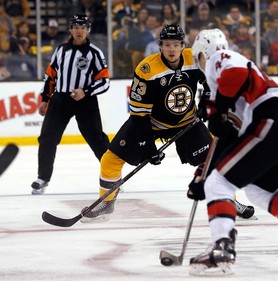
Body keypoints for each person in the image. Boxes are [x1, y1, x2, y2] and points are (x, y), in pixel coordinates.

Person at [188, 29, 278, 275]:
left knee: (218, 185)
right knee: (258, 190)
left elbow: (234, 74)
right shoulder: (235, 84)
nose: (200, 64)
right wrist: (203, 172)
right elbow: (228, 142)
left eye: (199, 58)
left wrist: (217, 106)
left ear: (204, 52)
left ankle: (222, 248)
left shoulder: (220, 59)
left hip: (271, 125)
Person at [80, 24, 254, 223]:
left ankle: (228, 201)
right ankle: (106, 202)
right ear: (160, 46)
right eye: (167, 45)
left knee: (213, 160)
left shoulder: (194, 57)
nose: (172, 49)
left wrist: (206, 98)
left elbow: (211, 78)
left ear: (183, 45)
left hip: (187, 121)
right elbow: (139, 115)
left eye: (176, 44)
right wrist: (148, 146)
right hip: (150, 124)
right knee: (110, 160)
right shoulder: (147, 69)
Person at [31, 14, 110, 195]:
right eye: (76, 26)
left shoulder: (95, 53)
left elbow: (105, 81)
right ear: (70, 29)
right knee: (47, 138)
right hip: (61, 99)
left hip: (86, 101)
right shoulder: (61, 50)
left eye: (83, 27)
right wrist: (45, 98)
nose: (79, 30)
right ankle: (42, 178)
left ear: (88, 30)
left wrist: (86, 91)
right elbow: (50, 76)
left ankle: (112, 177)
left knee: (97, 140)